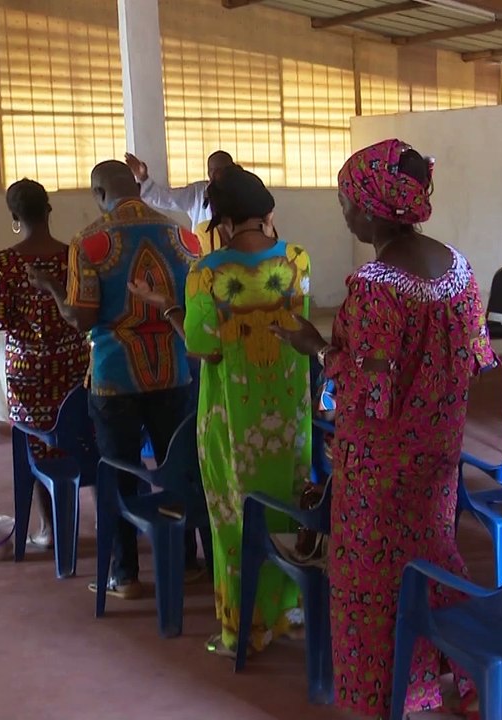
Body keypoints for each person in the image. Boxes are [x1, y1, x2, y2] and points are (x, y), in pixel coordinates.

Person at [270, 139, 494, 718]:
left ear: (372, 208)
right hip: (438, 453)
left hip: (379, 467)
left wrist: (316, 347)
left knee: (372, 580)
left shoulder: (375, 286)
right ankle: (464, 675)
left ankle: (380, 697)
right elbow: (474, 361)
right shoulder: (459, 268)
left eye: (347, 199)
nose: (344, 210)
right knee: (432, 556)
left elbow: (369, 396)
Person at [128, 166, 311, 656]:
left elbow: (204, 348)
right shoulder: (297, 258)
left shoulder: (207, 272)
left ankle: (242, 630)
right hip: (289, 414)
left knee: (232, 517)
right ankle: (288, 611)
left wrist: (168, 307)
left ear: (223, 222)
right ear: (268, 213)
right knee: (287, 506)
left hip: (234, 415)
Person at [28, 160, 203, 600]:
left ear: (99, 193)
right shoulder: (183, 236)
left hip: (114, 376)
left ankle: (125, 576)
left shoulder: (89, 242)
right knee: (177, 467)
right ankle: (185, 562)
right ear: (135, 189)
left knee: (118, 471)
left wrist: (52, 288)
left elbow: (82, 317)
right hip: (174, 369)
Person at [0, 180, 90, 547]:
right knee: (75, 433)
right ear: (49, 209)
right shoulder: (74, 256)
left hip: (29, 375)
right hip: (75, 367)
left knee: (36, 443)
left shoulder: (5, 262)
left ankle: (49, 528)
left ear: (14, 216)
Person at [125, 150, 237, 252]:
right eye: (212, 170)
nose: (216, 173)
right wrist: (144, 178)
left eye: (221, 169)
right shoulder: (198, 192)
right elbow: (166, 198)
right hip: (204, 258)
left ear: (232, 169)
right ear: (208, 172)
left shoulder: (241, 192)